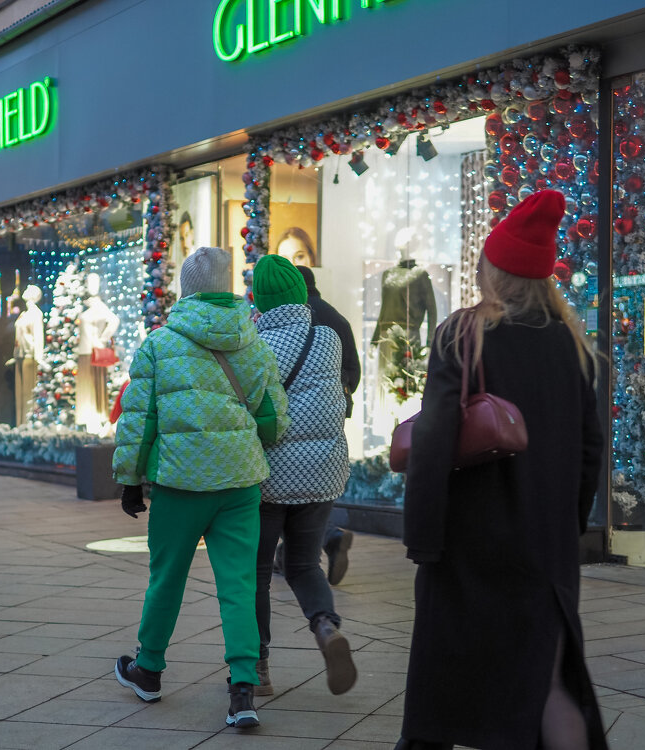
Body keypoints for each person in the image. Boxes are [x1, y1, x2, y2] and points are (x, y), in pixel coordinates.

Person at [397, 191, 606, 750]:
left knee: (446, 688)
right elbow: (591, 448)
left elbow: (435, 438)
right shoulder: (572, 344)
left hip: (470, 543)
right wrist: (567, 525)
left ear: (492, 267)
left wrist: (422, 536)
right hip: (545, 546)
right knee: (549, 683)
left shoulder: (464, 333)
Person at [112, 246, 289, 729]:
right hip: (239, 484)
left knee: (166, 577)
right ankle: (242, 691)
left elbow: (138, 422)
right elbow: (273, 424)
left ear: (186, 289)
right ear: (228, 286)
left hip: (178, 484)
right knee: (238, 584)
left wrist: (130, 480)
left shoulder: (158, 344)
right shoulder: (253, 342)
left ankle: (147, 670)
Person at [251, 254, 355, 697]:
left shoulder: (252, 344)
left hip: (269, 478)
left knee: (255, 571)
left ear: (260, 300)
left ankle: (257, 667)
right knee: (304, 566)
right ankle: (327, 628)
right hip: (321, 473)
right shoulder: (327, 337)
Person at [298, 264, 359, 586]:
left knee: (287, 485)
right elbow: (353, 369)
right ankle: (306, 546)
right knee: (317, 484)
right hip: (332, 414)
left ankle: (325, 538)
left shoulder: (295, 318)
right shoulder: (337, 318)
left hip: (295, 416)